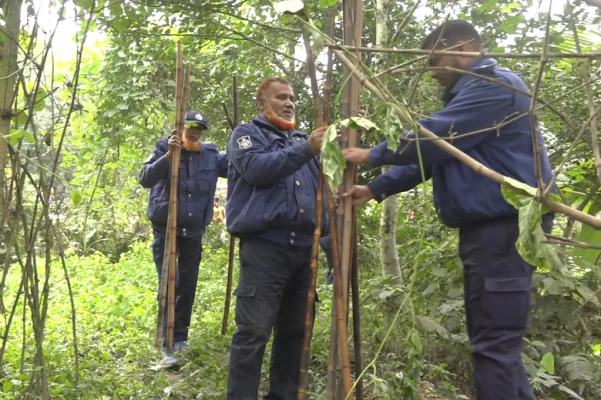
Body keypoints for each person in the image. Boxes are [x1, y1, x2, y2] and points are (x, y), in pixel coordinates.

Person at [342, 20, 554, 400]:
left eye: (435, 58)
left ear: (463, 48)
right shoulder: (468, 95)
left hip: (504, 228)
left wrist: (372, 154)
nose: (431, 69)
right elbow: (438, 156)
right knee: (494, 343)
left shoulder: (495, 86)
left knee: (494, 345)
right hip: (487, 230)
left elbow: (438, 138)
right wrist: (375, 188)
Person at [225, 77, 328, 399]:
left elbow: (322, 193)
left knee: (296, 332)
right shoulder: (245, 136)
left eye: (292, 97)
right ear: (262, 103)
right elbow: (257, 169)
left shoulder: (303, 140)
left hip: (304, 250)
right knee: (254, 331)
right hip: (265, 247)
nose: (289, 102)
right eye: (281, 97)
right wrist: (307, 148)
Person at [138, 111, 227, 367]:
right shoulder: (163, 147)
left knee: (187, 286)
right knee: (168, 284)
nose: (194, 130)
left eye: (199, 127)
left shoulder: (210, 155)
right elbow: (145, 178)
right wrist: (167, 156)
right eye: (190, 125)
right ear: (181, 127)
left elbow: (241, 168)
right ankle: (166, 344)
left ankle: (180, 339)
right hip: (166, 229)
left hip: (194, 231)